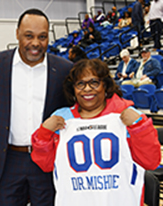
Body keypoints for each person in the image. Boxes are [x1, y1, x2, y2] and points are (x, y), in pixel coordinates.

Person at [31, 58, 161, 206]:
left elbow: (150, 162)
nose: (87, 89)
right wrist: (44, 133)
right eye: (80, 84)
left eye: (94, 82)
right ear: (73, 88)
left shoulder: (127, 116)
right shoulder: (61, 118)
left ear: (105, 85)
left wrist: (140, 127)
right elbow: (45, 165)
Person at [0, 8, 73, 206]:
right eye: (28, 36)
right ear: (17, 34)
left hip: (47, 159)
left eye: (42, 37)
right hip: (9, 159)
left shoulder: (64, 69)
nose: (35, 43)